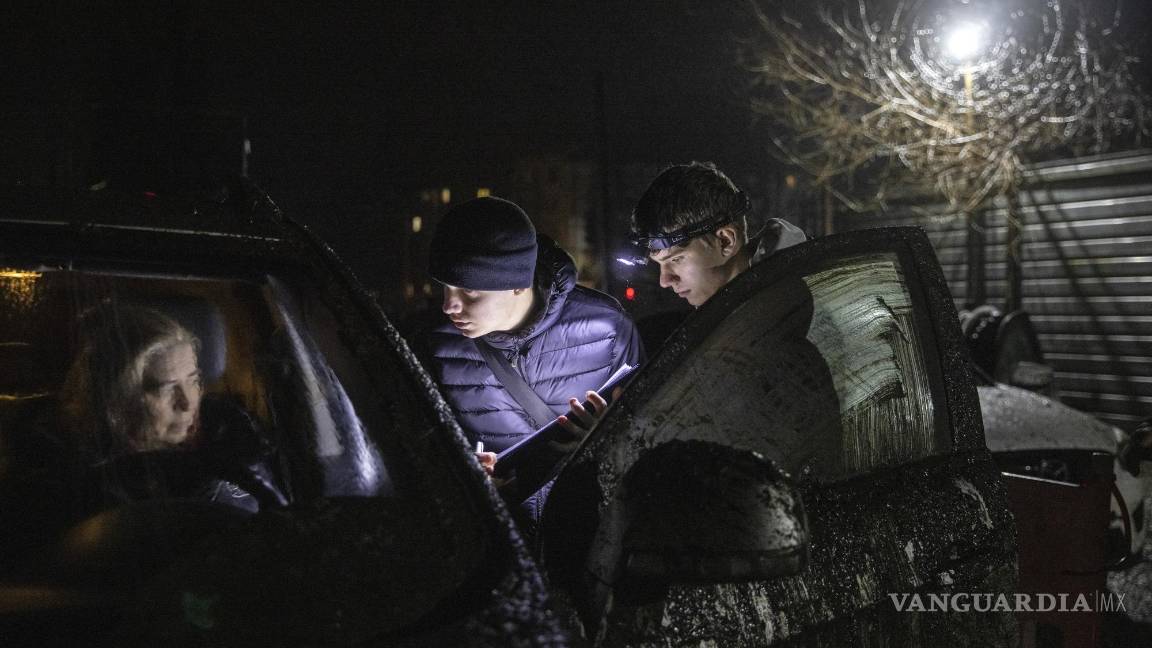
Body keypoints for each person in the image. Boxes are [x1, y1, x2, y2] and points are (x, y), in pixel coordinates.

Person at [418, 196, 643, 535]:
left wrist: (606, 440)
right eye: (445, 287)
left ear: (518, 283)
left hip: (589, 534)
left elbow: (650, 434)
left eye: (468, 290)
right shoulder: (436, 344)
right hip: (503, 538)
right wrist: (462, 476)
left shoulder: (608, 329)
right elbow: (422, 450)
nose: (450, 305)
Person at [57, 302, 285, 513]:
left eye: (194, 381)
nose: (188, 403)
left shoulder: (236, 436)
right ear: (118, 401)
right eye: (167, 389)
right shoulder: (79, 481)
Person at [630, 161, 808, 308]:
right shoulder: (742, 311)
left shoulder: (793, 309)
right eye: (660, 264)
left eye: (676, 259)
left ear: (725, 241)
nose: (665, 280)